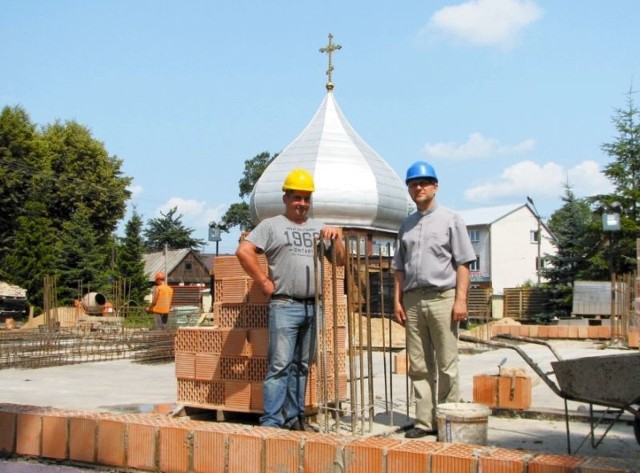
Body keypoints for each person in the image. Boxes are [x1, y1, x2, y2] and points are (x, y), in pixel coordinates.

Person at [236, 168, 345, 431]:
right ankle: (272, 421)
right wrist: (263, 281)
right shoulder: (271, 226)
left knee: (302, 366)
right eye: (297, 198)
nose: (302, 204)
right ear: (286, 198)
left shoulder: (320, 228)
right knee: (280, 366)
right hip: (285, 305)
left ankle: (295, 418)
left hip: (313, 305)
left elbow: (340, 261)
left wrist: (338, 236)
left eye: (307, 199)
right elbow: (244, 251)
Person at [391, 161, 476, 439]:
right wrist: (397, 300)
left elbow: (463, 263)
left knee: (447, 362)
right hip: (413, 300)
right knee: (419, 364)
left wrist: (460, 300)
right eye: (414, 184)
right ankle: (424, 421)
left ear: (435, 186)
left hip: (443, 298)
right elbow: (399, 268)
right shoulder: (406, 225)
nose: (419, 187)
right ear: (409, 189)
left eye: (424, 183)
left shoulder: (451, 219)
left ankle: (448, 418)